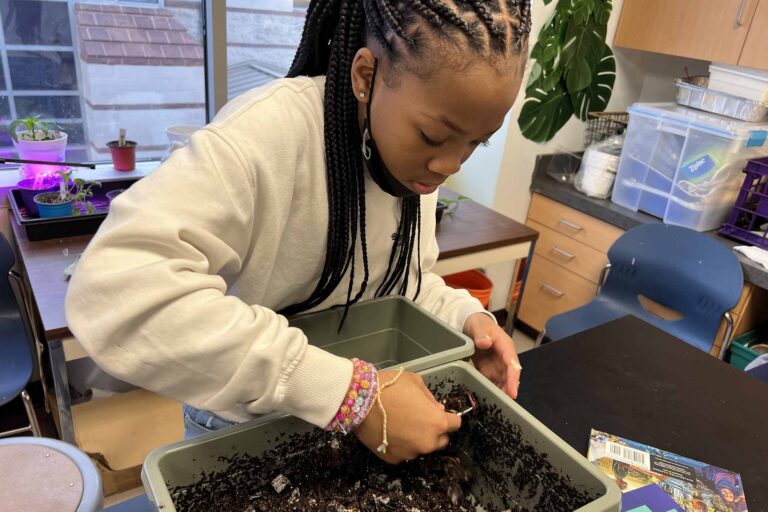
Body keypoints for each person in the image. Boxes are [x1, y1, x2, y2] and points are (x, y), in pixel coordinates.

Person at [65, 0, 531, 464]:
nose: (449, 165)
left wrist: (468, 321)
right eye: (433, 137)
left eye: (477, 141)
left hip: (357, 422)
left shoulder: (413, 165)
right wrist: (353, 396)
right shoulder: (261, 139)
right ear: (366, 77)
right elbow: (114, 295)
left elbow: (401, 284)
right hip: (243, 426)